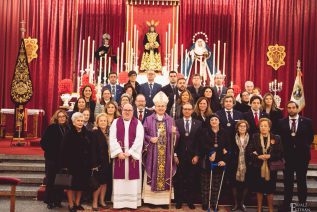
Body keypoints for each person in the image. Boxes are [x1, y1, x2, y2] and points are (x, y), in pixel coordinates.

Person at [142, 91, 179, 207]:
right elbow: (142, 134)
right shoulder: (148, 119)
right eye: (158, 106)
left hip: (166, 153)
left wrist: (175, 133)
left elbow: (176, 135)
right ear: (155, 107)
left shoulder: (170, 120)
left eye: (163, 106)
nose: (161, 108)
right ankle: (151, 200)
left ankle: (163, 201)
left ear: (166, 107)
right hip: (153, 153)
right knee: (153, 173)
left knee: (165, 173)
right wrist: (149, 139)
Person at [278, 101, 314, 211]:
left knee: (301, 181)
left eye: (293, 107)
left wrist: (302, 147)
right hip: (287, 158)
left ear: (297, 108)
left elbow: (310, 138)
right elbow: (279, 139)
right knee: (287, 182)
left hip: (302, 157)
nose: (291, 109)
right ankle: (286, 205)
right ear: (287, 109)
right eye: (289, 108)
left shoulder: (307, 121)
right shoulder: (281, 122)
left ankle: (302, 205)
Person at [109, 103, 144, 209]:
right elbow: (112, 138)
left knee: (132, 181)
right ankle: (119, 203)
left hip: (132, 157)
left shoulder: (137, 123)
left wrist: (131, 152)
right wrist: (118, 152)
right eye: (125, 110)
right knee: (120, 180)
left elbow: (139, 139)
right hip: (120, 156)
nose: (127, 112)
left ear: (133, 111)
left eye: (129, 110)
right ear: (121, 110)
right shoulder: (116, 122)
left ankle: (132, 203)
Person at [246, 118, 283, 212]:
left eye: (265, 126)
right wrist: (259, 157)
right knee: (259, 189)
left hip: (271, 167)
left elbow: (280, 153)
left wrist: (270, 156)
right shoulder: (255, 137)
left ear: (269, 127)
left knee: (270, 189)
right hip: (258, 167)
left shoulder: (276, 138)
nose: (263, 128)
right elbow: (249, 151)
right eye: (261, 126)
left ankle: (271, 209)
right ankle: (259, 209)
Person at [61, 112, 91, 212]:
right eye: (78, 120)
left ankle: (77, 203)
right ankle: (70, 204)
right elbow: (64, 150)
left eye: (82, 121)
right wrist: (65, 164)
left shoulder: (86, 132)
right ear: (73, 122)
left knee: (81, 184)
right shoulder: (69, 133)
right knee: (71, 185)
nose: (80, 122)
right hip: (71, 164)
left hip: (84, 163)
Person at [174, 102, 202, 209]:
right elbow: (174, 141)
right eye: (185, 109)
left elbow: (200, 142)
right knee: (179, 179)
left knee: (191, 179)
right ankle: (179, 201)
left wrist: (197, 155)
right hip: (179, 156)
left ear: (192, 111)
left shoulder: (198, 123)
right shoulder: (176, 122)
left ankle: (190, 201)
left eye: (189, 109)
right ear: (182, 110)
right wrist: (175, 155)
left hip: (192, 156)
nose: (187, 111)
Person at [199, 114, 230, 210]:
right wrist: (211, 152)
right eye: (212, 120)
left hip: (219, 161)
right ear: (209, 122)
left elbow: (228, 147)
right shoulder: (205, 132)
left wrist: (223, 158)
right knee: (205, 184)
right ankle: (205, 203)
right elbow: (202, 145)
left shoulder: (225, 132)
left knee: (216, 184)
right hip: (206, 160)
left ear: (219, 121)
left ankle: (214, 203)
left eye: (216, 119)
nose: (214, 121)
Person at [40, 109, 68, 209]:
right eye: (60, 117)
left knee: (60, 181)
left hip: (62, 160)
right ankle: (50, 201)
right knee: (51, 180)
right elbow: (43, 143)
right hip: (52, 159)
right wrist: (50, 152)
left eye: (63, 116)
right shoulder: (52, 128)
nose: (62, 118)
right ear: (56, 118)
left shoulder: (67, 128)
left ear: (66, 118)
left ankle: (57, 200)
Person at [228, 120, 251, 212]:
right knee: (234, 184)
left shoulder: (251, 138)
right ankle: (236, 203)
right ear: (237, 128)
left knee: (246, 184)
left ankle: (242, 203)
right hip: (234, 164)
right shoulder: (232, 138)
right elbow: (229, 148)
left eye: (244, 126)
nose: (242, 128)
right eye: (240, 126)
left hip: (247, 164)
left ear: (247, 128)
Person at [90, 113, 111, 210]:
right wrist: (94, 164)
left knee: (105, 182)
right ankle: (95, 202)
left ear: (107, 122)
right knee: (98, 183)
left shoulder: (109, 132)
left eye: (105, 121)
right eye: (101, 121)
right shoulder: (95, 133)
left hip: (108, 161)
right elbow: (92, 150)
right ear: (97, 122)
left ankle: (102, 201)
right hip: (98, 163)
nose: (103, 122)